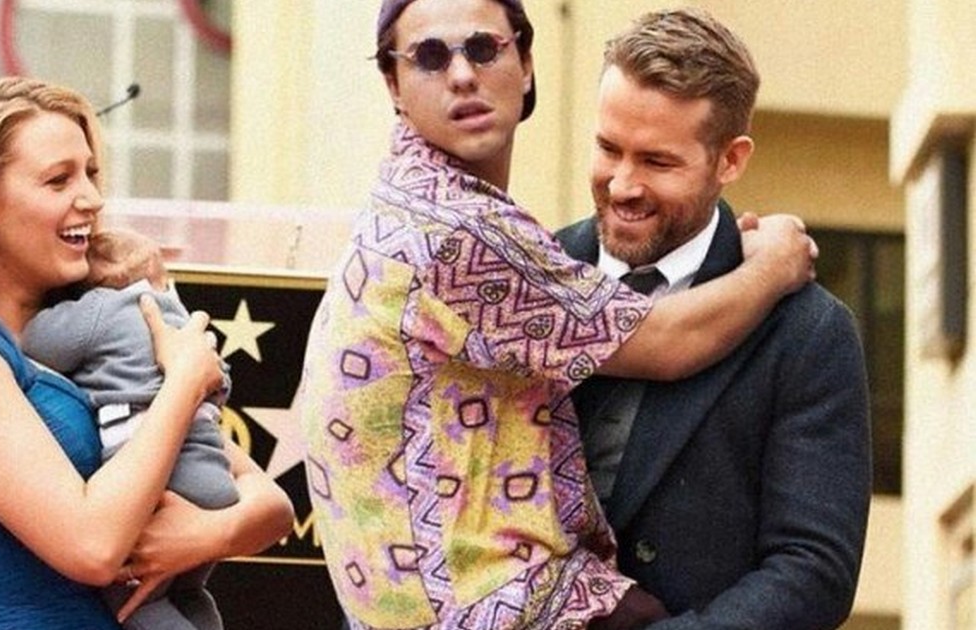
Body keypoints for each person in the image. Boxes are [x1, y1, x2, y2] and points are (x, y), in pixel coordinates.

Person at [296, 1, 819, 628]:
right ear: (393, 84)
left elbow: (813, 568)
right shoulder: (456, 230)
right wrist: (776, 264)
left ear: (525, 63)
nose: (461, 75)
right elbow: (666, 341)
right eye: (430, 57)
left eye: (483, 48)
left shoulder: (416, 207)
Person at [0, 76, 293, 630]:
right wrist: (183, 383)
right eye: (58, 180)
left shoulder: (98, 332)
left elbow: (272, 506)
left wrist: (204, 534)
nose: (92, 199)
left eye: (91, 174)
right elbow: (92, 547)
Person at [554, 8, 871, 628]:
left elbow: (812, 571)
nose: (622, 185)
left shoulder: (808, 333)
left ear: (730, 161)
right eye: (608, 148)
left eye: (657, 162)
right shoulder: (533, 273)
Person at [22, 228, 237, 630]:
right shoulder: (181, 323)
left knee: (135, 602)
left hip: (162, 489)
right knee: (188, 591)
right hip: (213, 480)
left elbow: (35, 341)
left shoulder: (102, 308)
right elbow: (219, 380)